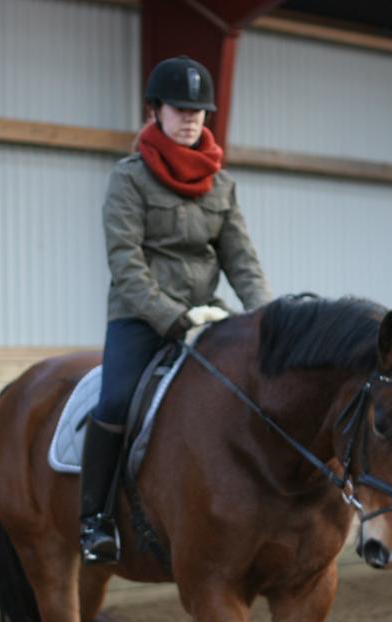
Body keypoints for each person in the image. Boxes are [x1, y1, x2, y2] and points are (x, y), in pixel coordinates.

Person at [79, 55, 272, 564]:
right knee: (116, 401)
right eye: (179, 109)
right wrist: (170, 317)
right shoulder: (129, 179)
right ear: (155, 110)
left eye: (197, 111)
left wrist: (269, 318)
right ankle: (95, 519)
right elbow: (126, 263)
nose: (190, 119)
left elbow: (242, 261)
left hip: (208, 315)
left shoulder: (222, 185)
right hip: (141, 317)